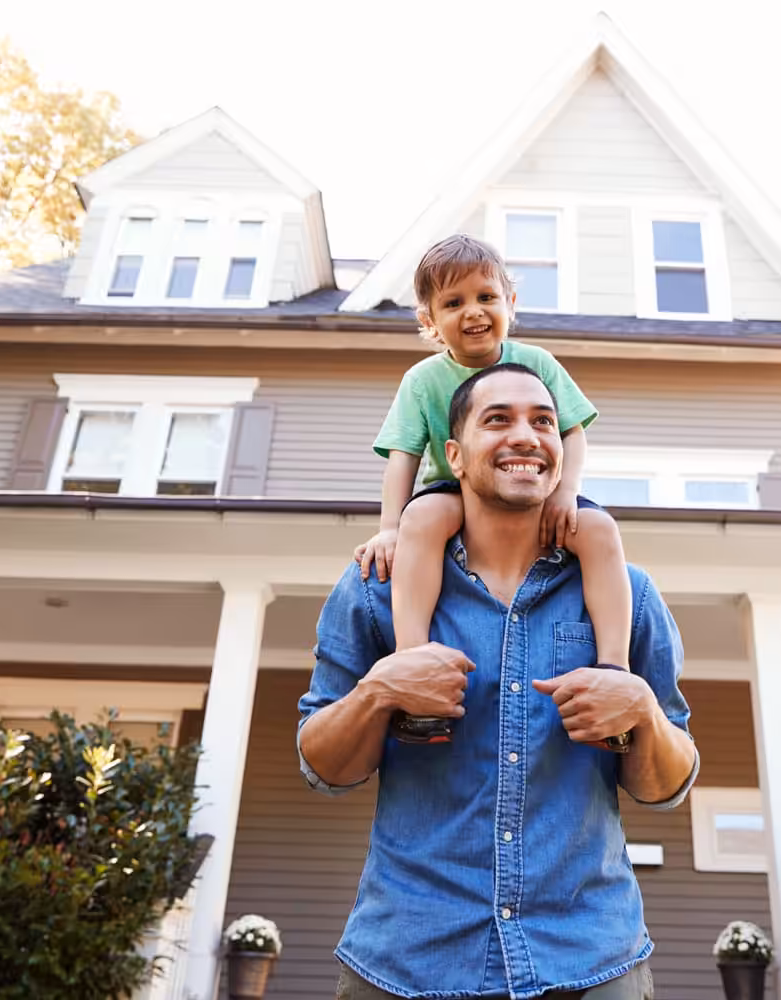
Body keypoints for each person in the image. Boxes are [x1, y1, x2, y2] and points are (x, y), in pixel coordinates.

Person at [299, 363, 700, 1000]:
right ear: (453, 456)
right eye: (498, 420)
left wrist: (643, 713)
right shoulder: (378, 588)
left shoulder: (626, 593)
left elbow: (669, 785)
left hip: (589, 959)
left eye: (543, 421)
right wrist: (380, 691)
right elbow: (323, 766)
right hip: (406, 960)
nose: (526, 435)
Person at [354, 235, 634, 741]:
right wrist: (390, 529)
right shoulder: (422, 381)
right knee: (425, 520)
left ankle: (614, 672)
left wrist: (567, 491)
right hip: (453, 489)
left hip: (534, 488)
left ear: (510, 304)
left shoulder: (539, 363)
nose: (473, 312)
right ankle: (414, 663)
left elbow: (572, 430)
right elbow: (403, 457)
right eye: (453, 303)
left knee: (597, 529)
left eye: (486, 297)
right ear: (429, 321)